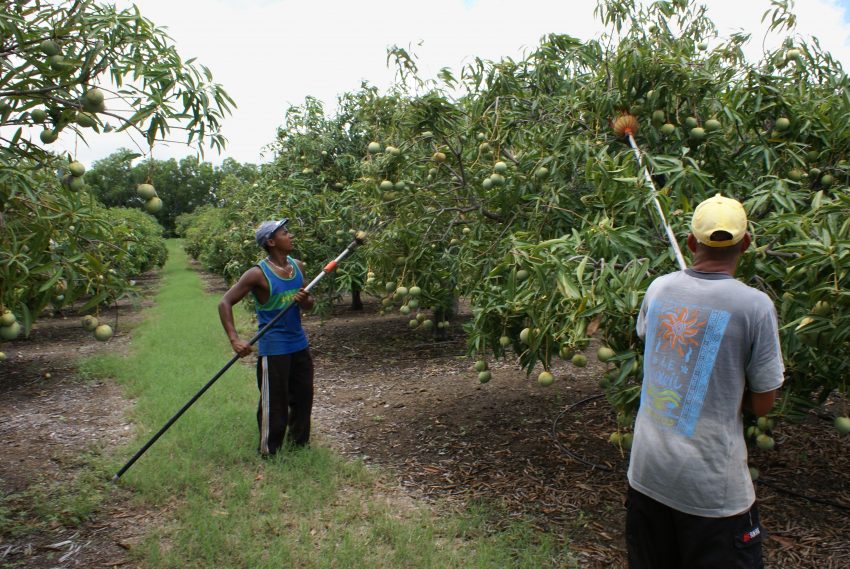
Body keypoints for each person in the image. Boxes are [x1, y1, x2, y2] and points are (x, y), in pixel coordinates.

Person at [627, 194, 785, 569]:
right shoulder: (754, 306)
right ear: (746, 243)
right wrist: (730, 387)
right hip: (711, 492)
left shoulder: (659, 289)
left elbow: (655, 346)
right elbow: (764, 404)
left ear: (691, 243)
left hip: (648, 474)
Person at [218, 218, 315, 456]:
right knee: (275, 403)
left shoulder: (298, 266)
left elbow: (309, 306)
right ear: (271, 241)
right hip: (274, 348)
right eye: (284, 233)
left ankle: (299, 446)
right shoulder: (257, 274)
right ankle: (269, 451)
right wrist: (234, 340)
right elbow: (225, 302)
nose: (290, 235)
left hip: (299, 344)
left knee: (303, 397)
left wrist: (307, 300)